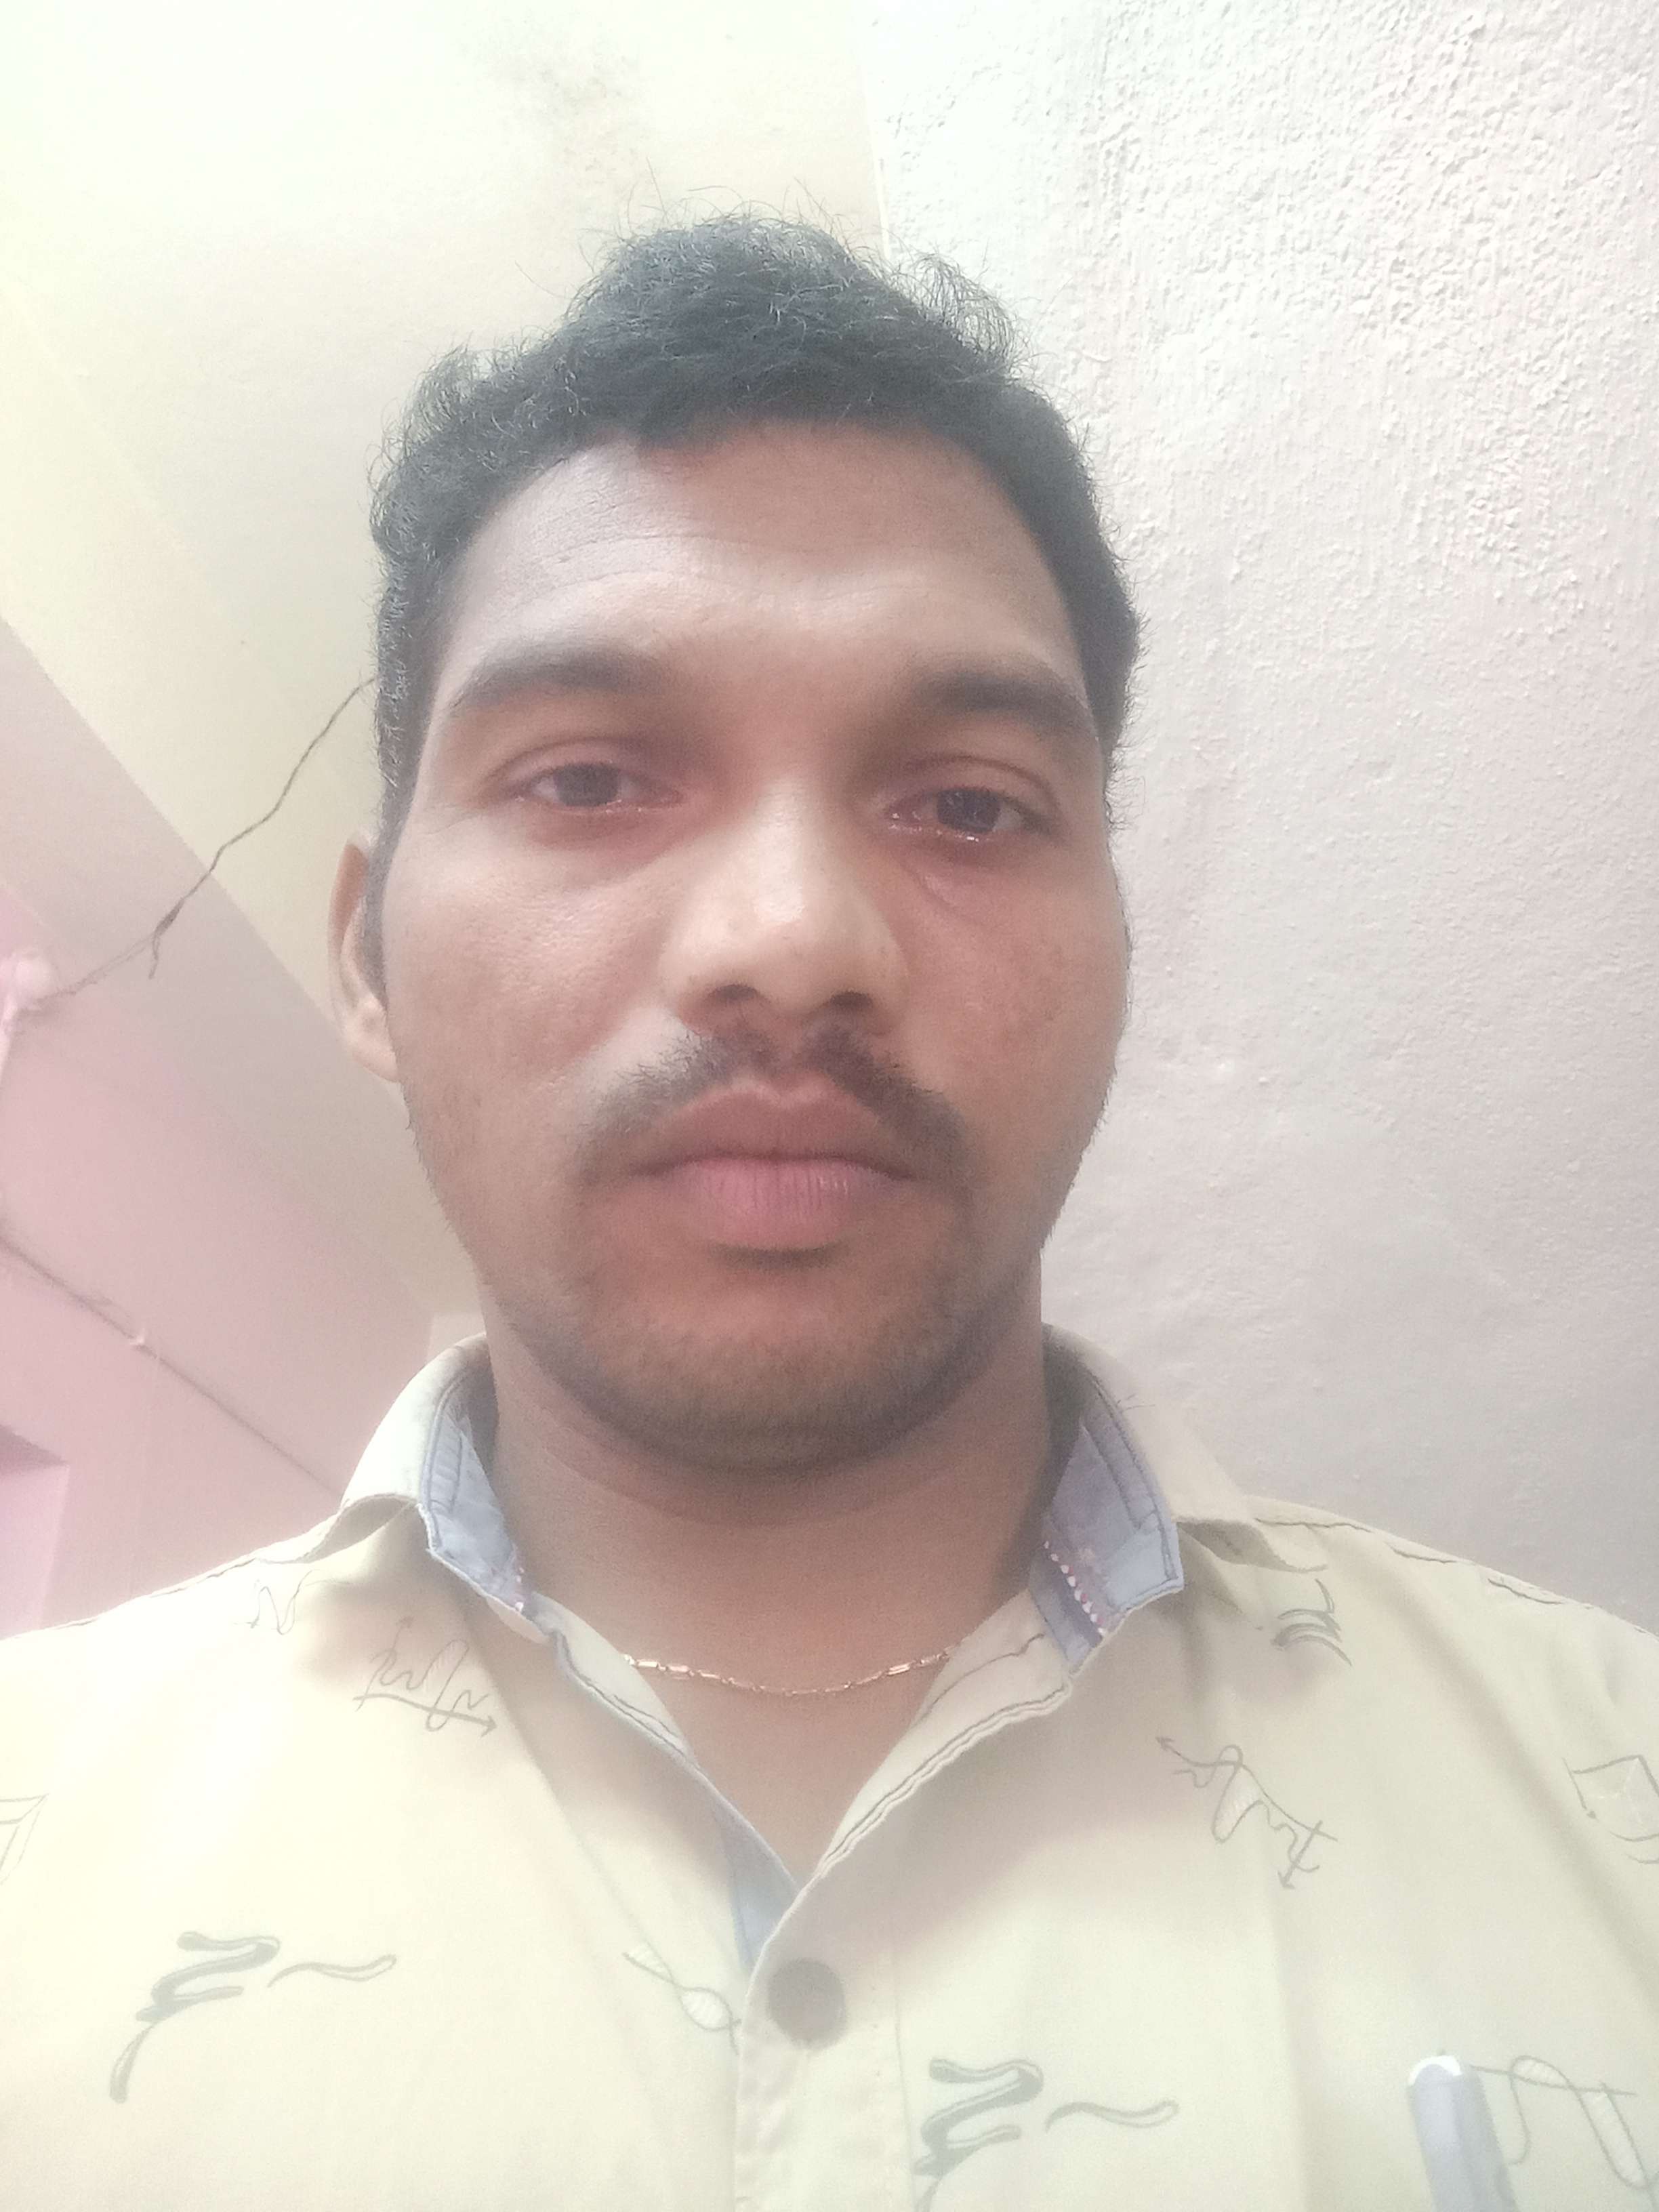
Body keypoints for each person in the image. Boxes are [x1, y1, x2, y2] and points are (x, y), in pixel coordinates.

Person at [1, 216, 1654, 2212]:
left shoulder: (1617, 1794)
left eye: (967, 805)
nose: (791, 941)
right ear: (365, 959)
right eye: (590, 780)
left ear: (1118, 947)